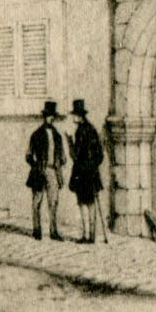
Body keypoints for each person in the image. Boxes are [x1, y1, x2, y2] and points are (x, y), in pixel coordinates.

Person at [25, 101, 65, 240]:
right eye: (48, 116)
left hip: (53, 171)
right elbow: (28, 155)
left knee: (53, 202)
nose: (50, 119)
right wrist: (36, 166)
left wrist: (60, 162)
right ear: (44, 117)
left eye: (52, 116)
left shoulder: (57, 136)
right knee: (37, 201)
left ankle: (53, 231)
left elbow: (62, 157)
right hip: (39, 171)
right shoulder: (36, 134)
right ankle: (37, 230)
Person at [69, 99, 105, 243]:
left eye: (75, 115)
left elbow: (76, 156)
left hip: (82, 173)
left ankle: (86, 235)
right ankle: (92, 235)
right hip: (92, 173)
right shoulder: (93, 129)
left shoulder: (80, 131)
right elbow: (100, 155)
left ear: (79, 116)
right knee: (91, 204)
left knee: (83, 203)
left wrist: (70, 144)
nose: (73, 118)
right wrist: (94, 166)